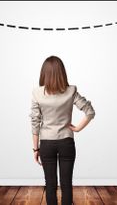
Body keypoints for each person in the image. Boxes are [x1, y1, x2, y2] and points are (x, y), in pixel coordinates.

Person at [29, 55, 95, 205]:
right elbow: (90, 111)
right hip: (66, 142)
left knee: (50, 185)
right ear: (62, 73)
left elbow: (35, 122)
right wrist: (77, 128)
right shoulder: (71, 91)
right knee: (66, 184)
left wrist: (35, 149)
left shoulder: (37, 93)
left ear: (43, 73)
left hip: (46, 143)